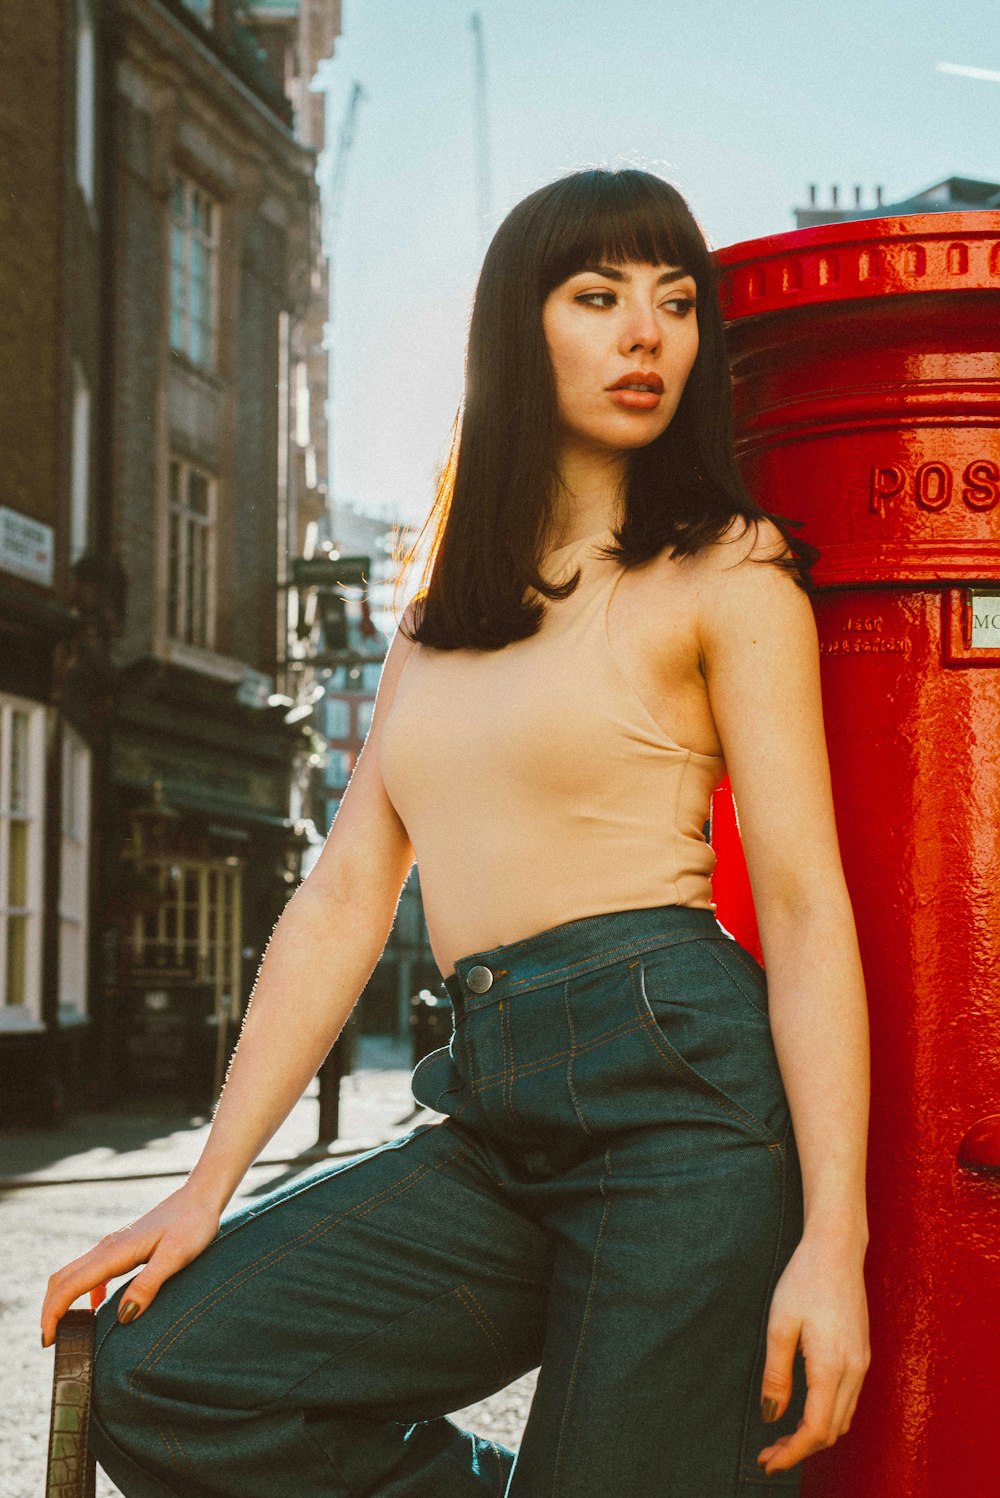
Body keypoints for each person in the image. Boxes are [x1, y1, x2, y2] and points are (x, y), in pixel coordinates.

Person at [41, 167, 871, 1497]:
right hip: (490, 1110)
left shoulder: (730, 568)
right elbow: (342, 899)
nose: (646, 332)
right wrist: (203, 1188)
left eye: (675, 301)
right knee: (172, 1378)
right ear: (513, 327)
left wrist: (837, 1236)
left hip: (685, 1111)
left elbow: (809, 905)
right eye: (598, 296)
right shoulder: (436, 621)